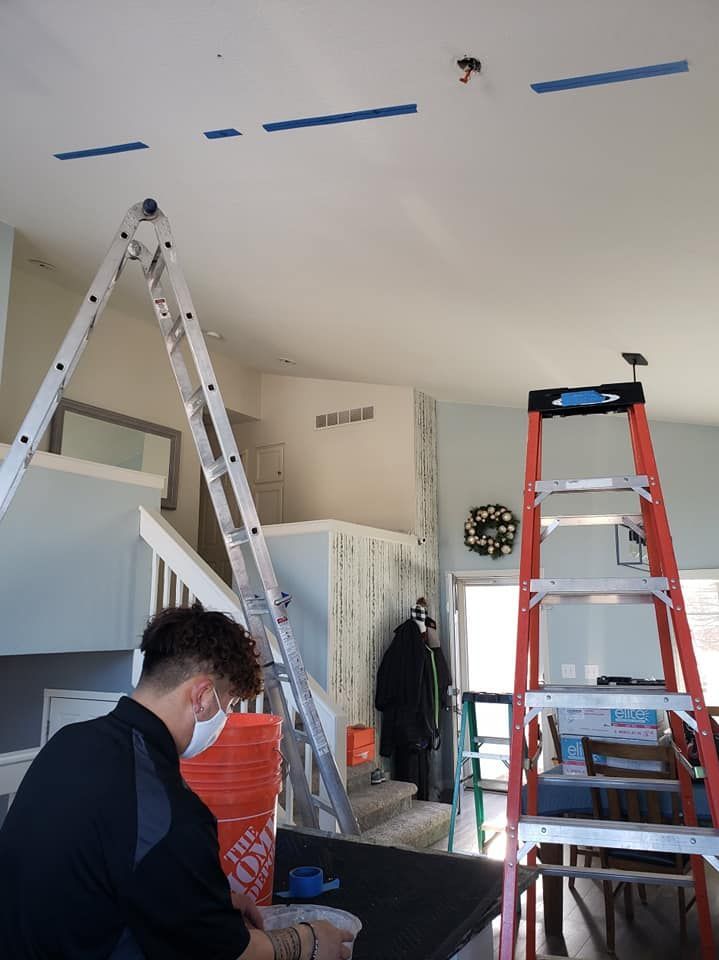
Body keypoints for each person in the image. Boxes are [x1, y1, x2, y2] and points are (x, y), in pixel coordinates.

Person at [0, 603, 353, 960]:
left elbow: (95, 870)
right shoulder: (168, 810)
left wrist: (203, 899)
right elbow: (233, 952)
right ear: (201, 697)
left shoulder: (68, 741)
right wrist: (309, 940)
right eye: (227, 704)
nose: (225, 718)